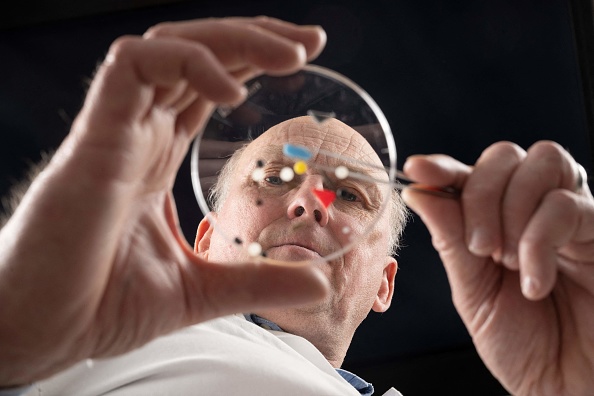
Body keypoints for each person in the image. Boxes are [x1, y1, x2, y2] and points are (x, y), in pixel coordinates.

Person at [0, 16, 592, 396]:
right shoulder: (91, 340)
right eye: (278, 176)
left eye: (353, 195)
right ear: (203, 240)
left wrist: (572, 383)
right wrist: (16, 326)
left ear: (384, 284)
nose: (311, 201)